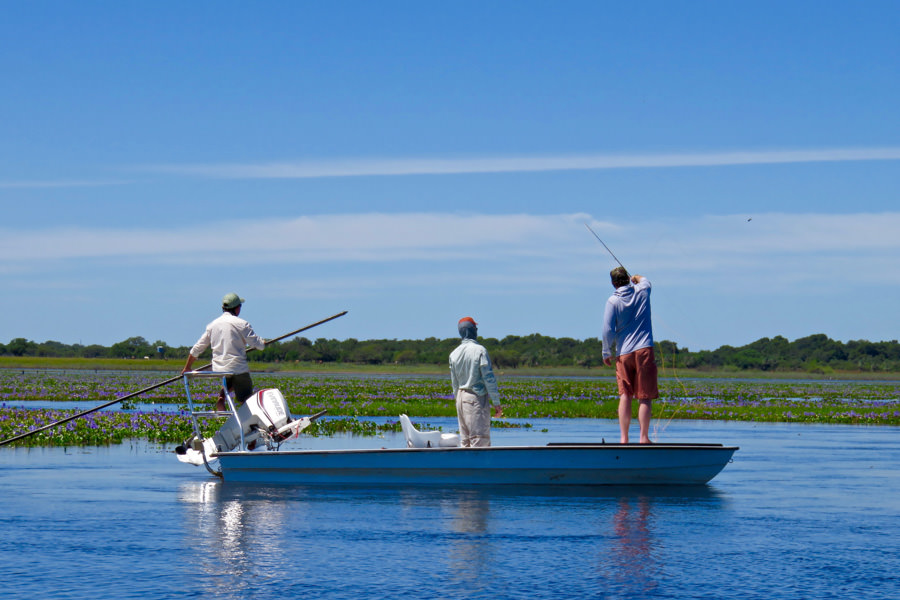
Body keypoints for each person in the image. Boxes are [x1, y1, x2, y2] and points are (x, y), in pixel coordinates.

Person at [181, 292, 266, 411]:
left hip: (219, 369)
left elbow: (197, 348)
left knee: (227, 379)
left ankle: (221, 401)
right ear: (237, 308)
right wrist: (263, 342)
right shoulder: (242, 324)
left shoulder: (212, 325)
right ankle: (246, 421)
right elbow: (259, 345)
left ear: (223, 308)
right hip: (238, 368)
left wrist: (187, 367)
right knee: (245, 397)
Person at [601, 267, 658, 444]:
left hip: (623, 353)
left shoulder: (612, 301)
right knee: (644, 396)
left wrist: (606, 352)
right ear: (627, 278)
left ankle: (624, 439)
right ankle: (643, 438)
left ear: (613, 283)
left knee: (625, 395)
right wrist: (636, 277)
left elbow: (608, 330)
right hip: (644, 350)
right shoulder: (642, 290)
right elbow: (645, 280)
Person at [449, 316, 503, 447]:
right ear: (473, 330)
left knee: (465, 440)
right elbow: (488, 378)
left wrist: (458, 401)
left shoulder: (454, 354)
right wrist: (496, 403)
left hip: (460, 398)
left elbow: (454, 383)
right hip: (475, 398)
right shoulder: (480, 351)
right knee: (479, 440)